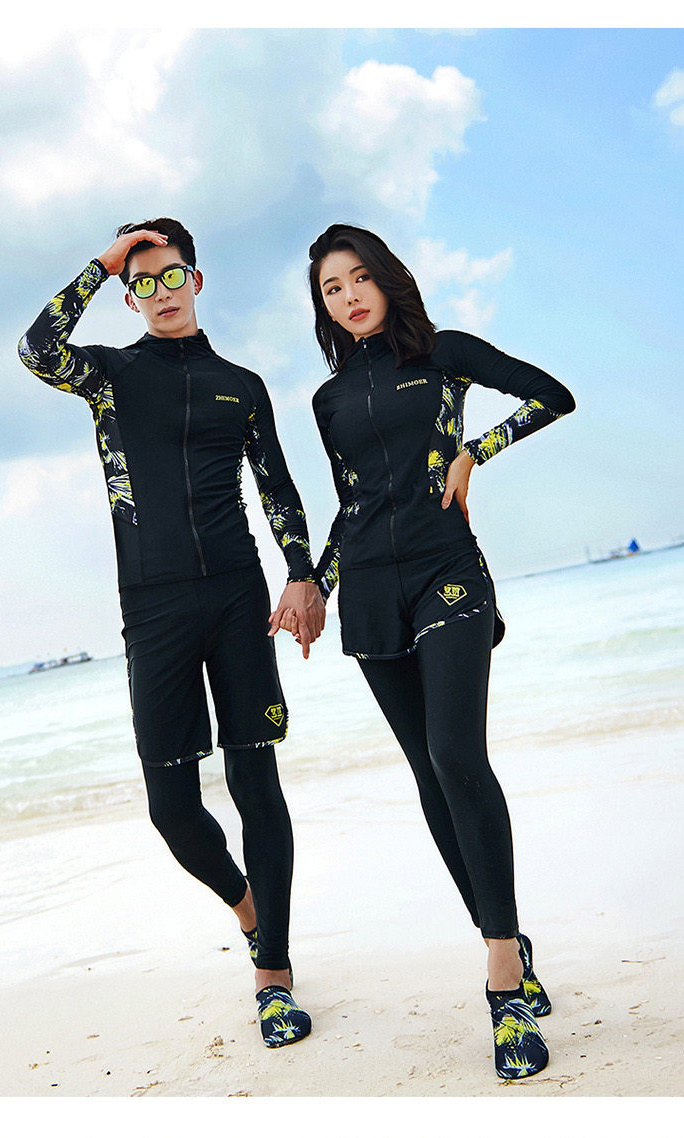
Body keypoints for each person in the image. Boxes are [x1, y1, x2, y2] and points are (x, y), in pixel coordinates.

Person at [273, 223, 575, 1079]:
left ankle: (504, 987)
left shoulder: (445, 354)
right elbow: (352, 504)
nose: (349, 296)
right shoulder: (329, 400)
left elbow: (551, 396)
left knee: (457, 756)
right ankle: (505, 936)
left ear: (387, 279)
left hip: (449, 573)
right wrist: (314, 582)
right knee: (428, 774)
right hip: (371, 592)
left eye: (359, 278)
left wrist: (476, 451)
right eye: (332, 289)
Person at [18, 218, 325, 1048]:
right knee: (172, 808)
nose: (160, 293)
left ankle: (273, 975)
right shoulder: (109, 375)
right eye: (143, 283)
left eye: (172, 275)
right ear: (129, 297)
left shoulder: (241, 385)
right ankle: (251, 912)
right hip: (151, 606)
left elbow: (278, 487)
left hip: (237, 597)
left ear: (197, 279)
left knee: (257, 784)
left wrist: (304, 574)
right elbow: (36, 349)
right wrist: (102, 262)